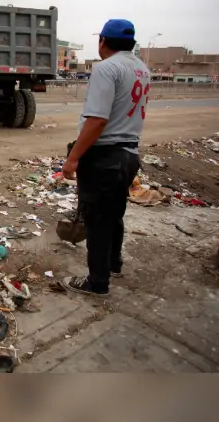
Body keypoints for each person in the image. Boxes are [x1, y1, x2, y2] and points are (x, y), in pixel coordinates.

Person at [61, 19, 151, 295]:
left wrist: (73, 158)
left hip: (105, 156)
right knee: (114, 213)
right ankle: (113, 263)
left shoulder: (107, 69)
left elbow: (97, 120)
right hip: (129, 154)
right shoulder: (141, 69)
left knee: (98, 219)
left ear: (102, 41)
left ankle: (97, 282)